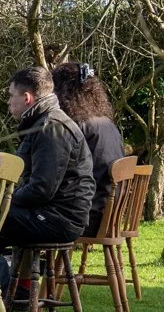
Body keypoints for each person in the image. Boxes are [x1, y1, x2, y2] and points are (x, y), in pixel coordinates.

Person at [0, 65, 96, 281]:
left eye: (11, 95)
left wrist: (5, 200)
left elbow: (42, 189)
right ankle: (11, 292)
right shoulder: (44, 122)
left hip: (60, 218)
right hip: (56, 212)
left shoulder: (50, 128)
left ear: (27, 97)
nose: (8, 102)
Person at [52, 61, 125, 233]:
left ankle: (29, 259)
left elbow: (59, 174)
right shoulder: (107, 123)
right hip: (111, 214)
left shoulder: (77, 127)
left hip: (87, 216)